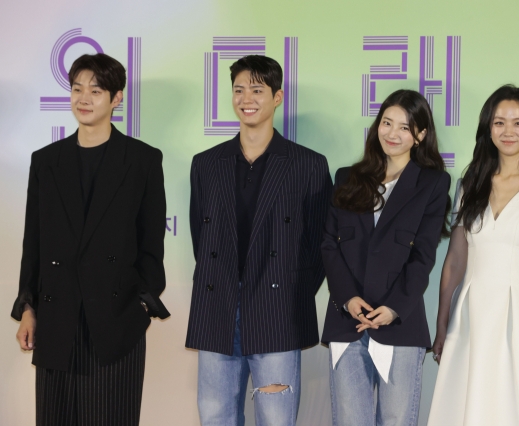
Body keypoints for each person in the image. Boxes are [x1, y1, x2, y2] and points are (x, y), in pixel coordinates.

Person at [12, 53, 170, 426]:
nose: (83, 98)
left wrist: (141, 306)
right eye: (77, 89)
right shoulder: (46, 161)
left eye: (95, 90)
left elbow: (151, 244)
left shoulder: (143, 160)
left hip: (116, 323)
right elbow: (33, 241)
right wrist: (28, 308)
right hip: (56, 319)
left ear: (116, 98)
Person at [186, 55, 332, 426]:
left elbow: (318, 245)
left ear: (277, 96)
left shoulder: (308, 165)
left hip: (277, 311)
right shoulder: (206, 163)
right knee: (215, 416)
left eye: (257, 89)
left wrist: (287, 291)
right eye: (238, 89)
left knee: (276, 418)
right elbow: (201, 238)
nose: (246, 98)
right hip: (216, 308)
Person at [427, 85, 519, 426]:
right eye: (499, 123)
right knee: (468, 399)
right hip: (472, 312)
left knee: (518, 402)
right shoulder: (471, 184)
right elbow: (455, 260)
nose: (508, 131)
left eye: (518, 123)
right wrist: (442, 322)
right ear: (487, 129)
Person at [321, 89, 451, 426]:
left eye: (405, 128)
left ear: (420, 135)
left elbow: (423, 255)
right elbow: (329, 247)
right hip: (347, 321)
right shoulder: (346, 179)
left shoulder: (433, 184)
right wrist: (348, 299)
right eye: (386, 122)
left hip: (400, 324)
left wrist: (393, 309)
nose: (392, 133)